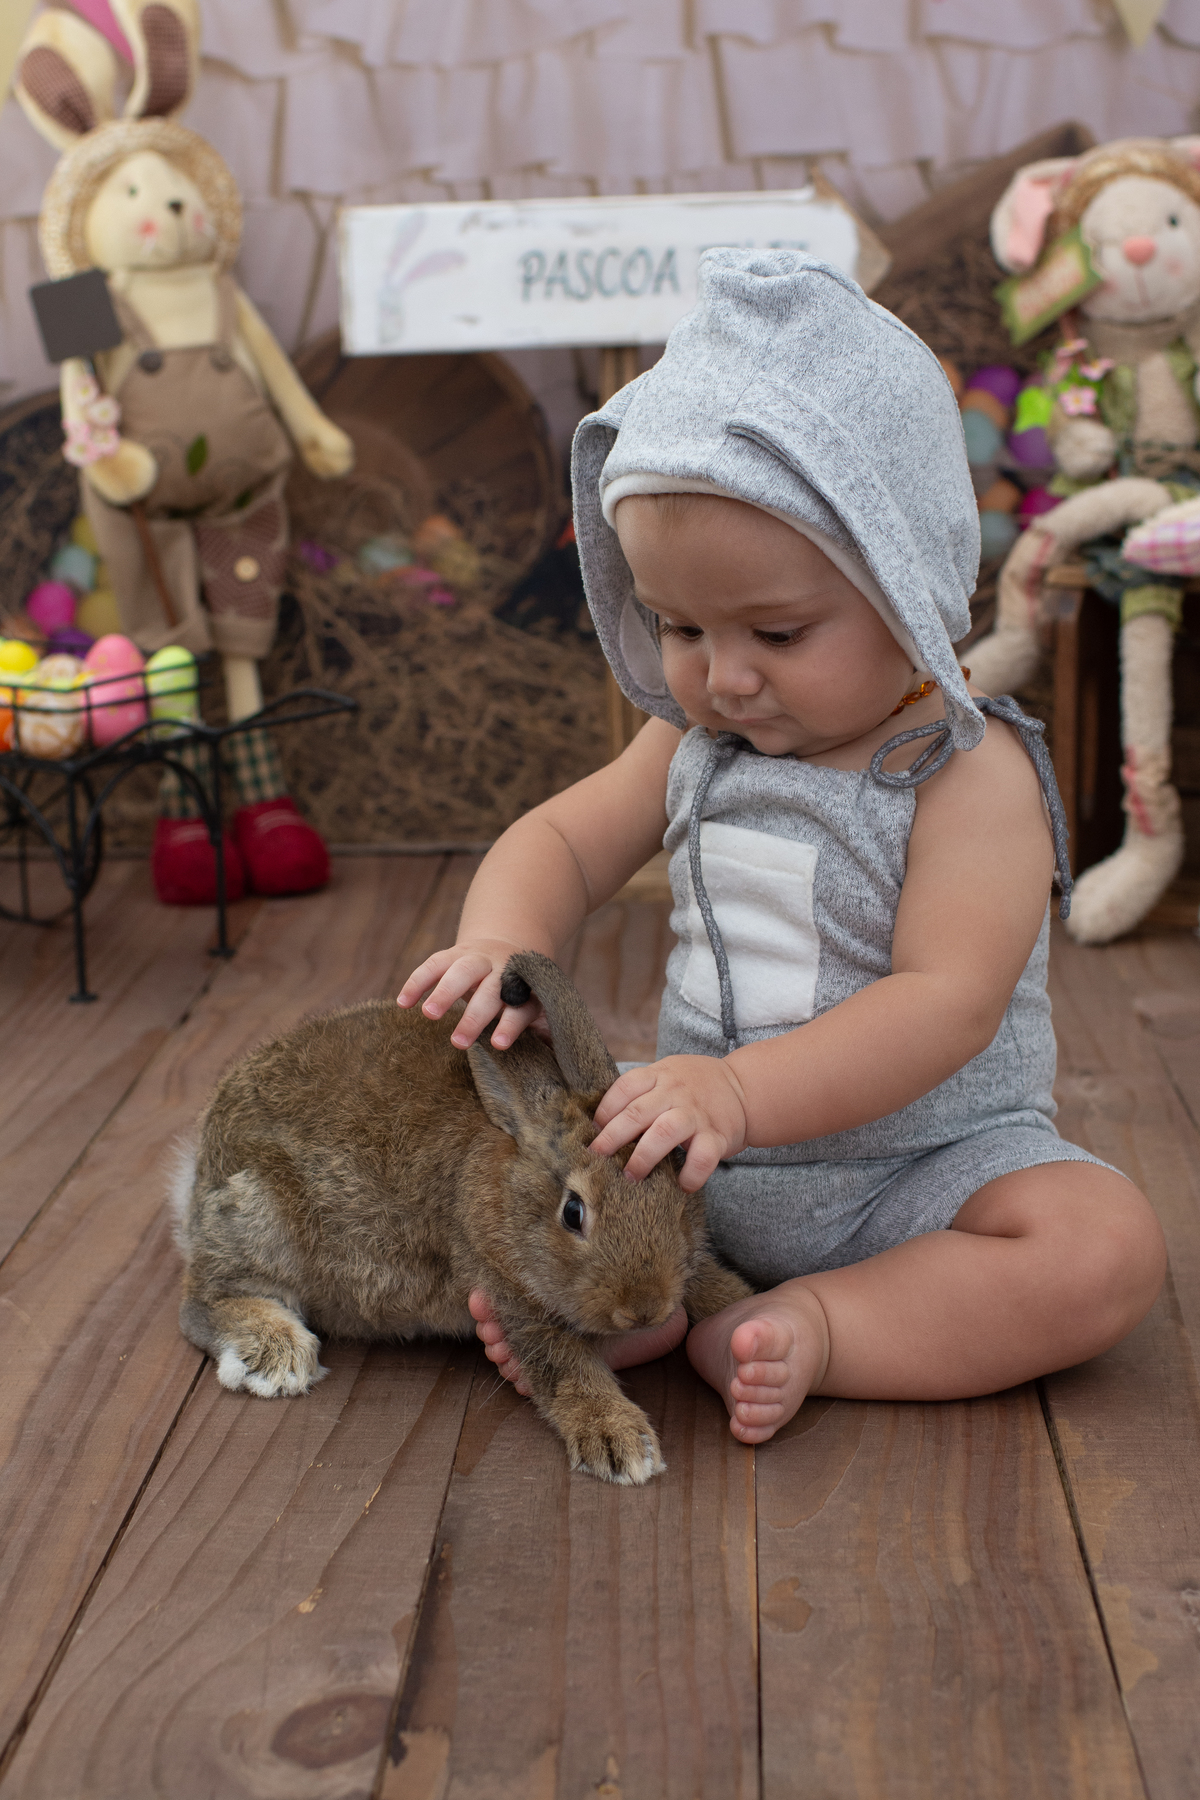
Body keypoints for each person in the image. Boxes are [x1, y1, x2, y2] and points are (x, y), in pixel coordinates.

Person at [398, 250, 1165, 1445]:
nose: (726, 674)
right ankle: (651, 1293)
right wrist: (502, 940)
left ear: (907, 589)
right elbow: (560, 838)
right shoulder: (701, 740)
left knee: (1104, 1249)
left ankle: (825, 1322)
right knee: (567, 1179)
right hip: (704, 1167)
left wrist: (743, 1092)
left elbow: (948, 1002)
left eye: (779, 630)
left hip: (931, 1171)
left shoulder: (968, 775)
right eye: (680, 626)